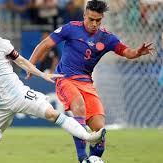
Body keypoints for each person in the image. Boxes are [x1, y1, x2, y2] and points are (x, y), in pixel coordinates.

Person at [0, 16, 105, 163]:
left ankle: (88, 136)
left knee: (52, 113)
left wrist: (42, 75)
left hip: (19, 94)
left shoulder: (2, 44)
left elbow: (22, 61)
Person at [26, 0, 154, 162]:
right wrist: (30, 65)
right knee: (78, 105)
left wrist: (137, 52)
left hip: (86, 83)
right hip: (65, 78)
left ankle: (93, 159)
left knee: (100, 130)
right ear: (84, 15)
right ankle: (82, 158)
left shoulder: (107, 38)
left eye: (98, 20)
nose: (94, 24)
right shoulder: (71, 28)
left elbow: (125, 51)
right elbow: (45, 45)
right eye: (91, 19)